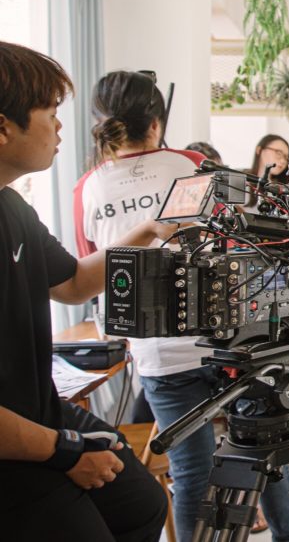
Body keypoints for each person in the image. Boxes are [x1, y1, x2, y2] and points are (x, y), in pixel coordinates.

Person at [73, 71, 289, 542]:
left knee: (192, 474)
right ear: (157, 122)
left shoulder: (87, 189)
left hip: (159, 356)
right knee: (264, 452)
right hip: (230, 340)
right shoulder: (191, 163)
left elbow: (90, 271)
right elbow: (249, 238)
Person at [0, 43, 168, 541]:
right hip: (18, 451)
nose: (58, 128)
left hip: (43, 413)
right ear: (4, 127)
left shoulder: (14, 208)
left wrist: (148, 232)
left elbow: (72, 282)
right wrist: (64, 450)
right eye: (49, 112)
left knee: (142, 504)